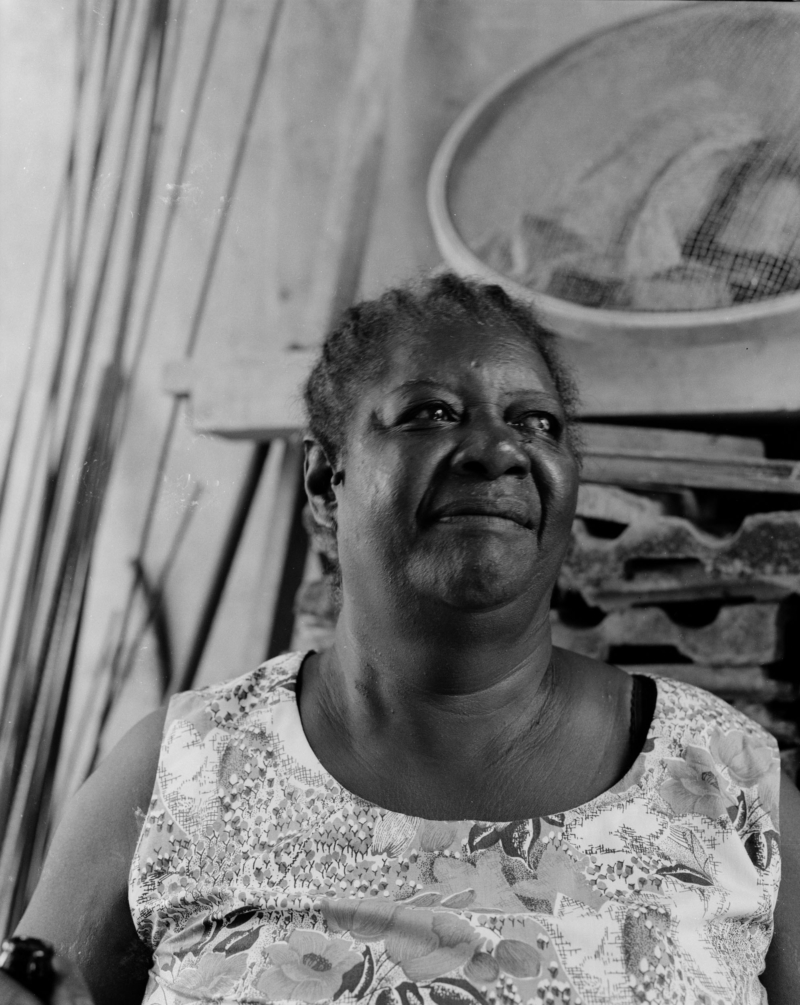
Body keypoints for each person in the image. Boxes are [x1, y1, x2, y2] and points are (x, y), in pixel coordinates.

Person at [3, 274, 799, 1005]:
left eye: (538, 422)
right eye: (431, 413)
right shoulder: (181, 770)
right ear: (325, 481)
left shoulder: (728, 780)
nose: (498, 448)